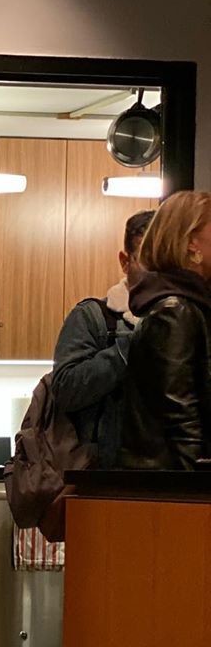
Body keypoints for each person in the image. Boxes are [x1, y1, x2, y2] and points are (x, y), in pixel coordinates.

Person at [52, 209, 154, 468]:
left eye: (164, 263)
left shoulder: (185, 320)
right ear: (125, 262)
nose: (156, 274)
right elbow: (65, 390)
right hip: (103, 475)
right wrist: (129, 346)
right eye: (147, 261)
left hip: (170, 474)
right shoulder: (93, 317)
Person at [122, 191, 211, 469]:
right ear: (191, 242)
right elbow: (180, 417)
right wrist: (197, 485)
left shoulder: (183, 304)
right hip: (174, 482)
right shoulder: (175, 310)